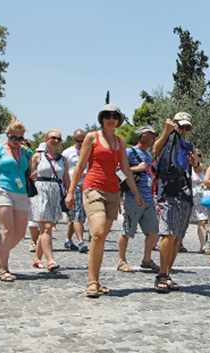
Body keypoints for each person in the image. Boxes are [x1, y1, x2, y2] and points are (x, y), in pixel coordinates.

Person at [65, 104, 144, 297]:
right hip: (93, 188)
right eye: (107, 115)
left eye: (115, 116)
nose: (111, 118)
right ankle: (92, 281)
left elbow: (125, 170)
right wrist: (70, 191)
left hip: (113, 192)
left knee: (100, 238)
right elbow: (80, 165)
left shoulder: (120, 142)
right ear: (101, 118)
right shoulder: (92, 137)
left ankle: (96, 280)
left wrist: (136, 193)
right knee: (98, 232)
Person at [152, 112, 202, 293]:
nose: (183, 131)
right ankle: (161, 275)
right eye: (181, 127)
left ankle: (167, 272)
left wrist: (195, 163)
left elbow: (199, 168)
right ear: (174, 124)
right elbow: (155, 152)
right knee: (169, 234)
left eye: (187, 128)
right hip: (168, 192)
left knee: (177, 238)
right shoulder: (167, 139)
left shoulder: (188, 145)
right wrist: (166, 131)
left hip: (184, 193)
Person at [0, 118, 33, 282]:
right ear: (7, 134)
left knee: (20, 232)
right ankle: (4, 268)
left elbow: (29, 172)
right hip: (2, 189)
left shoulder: (26, 152)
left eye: (20, 138)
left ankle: (0, 253)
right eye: (14, 138)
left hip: (21, 192)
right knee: (8, 229)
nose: (17, 142)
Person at [117, 126, 160, 273]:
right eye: (152, 136)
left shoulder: (147, 154)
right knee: (127, 231)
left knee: (154, 231)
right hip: (132, 198)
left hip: (148, 198)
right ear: (143, 137)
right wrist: (136, 169)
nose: (154, 139)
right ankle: (122, 260)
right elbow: (118, 170)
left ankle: (147, 259)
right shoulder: (129, 152)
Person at [29, 131, 70, 271]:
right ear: (46, 140)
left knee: (44, 228)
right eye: (53, 138)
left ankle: (36, 259)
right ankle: (51, 260)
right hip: (40, 191)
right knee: (47, 227)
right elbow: (28, 174)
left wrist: (70, 194)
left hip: (55, 192)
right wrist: (31, 177)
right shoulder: (37, 156)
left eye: (59, 138)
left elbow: (66, 178)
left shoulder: (63, 159)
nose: (56, 140)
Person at [62, 129, 89, 253]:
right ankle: (81, 241)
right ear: (74, 140)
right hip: (74, 185)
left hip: (88, 185)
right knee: (77, 214)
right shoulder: (67, 153)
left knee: (77, 217)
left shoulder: (89, 151)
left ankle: (68, 238)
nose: (80, 143)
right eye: (78, 141)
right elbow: (63, 171)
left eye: (83, 141)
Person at [189, 148, 208, 254]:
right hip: (190, 196)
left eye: (199, 155)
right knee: (185, 221)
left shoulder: (202, 170)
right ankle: (179, 243)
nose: (198, 157)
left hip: (201, 197)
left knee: (202, 221)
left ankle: (203, 246)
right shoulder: (188, 169)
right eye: (196, 155)